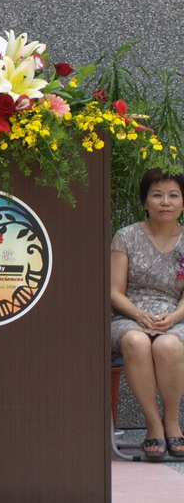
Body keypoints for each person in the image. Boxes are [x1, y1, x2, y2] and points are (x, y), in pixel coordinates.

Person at [110, 168, 184, 461]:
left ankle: (172, 421)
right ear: (145, 202)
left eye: (173, 195)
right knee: (137, 342)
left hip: (176, 316)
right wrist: (139, 315)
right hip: (129, 315)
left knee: (167, 344)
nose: (165, 202)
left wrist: (176, 317)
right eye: (157, 195)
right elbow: (114, 292)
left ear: (182, 202)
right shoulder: (125, 236)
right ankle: (152, 426)